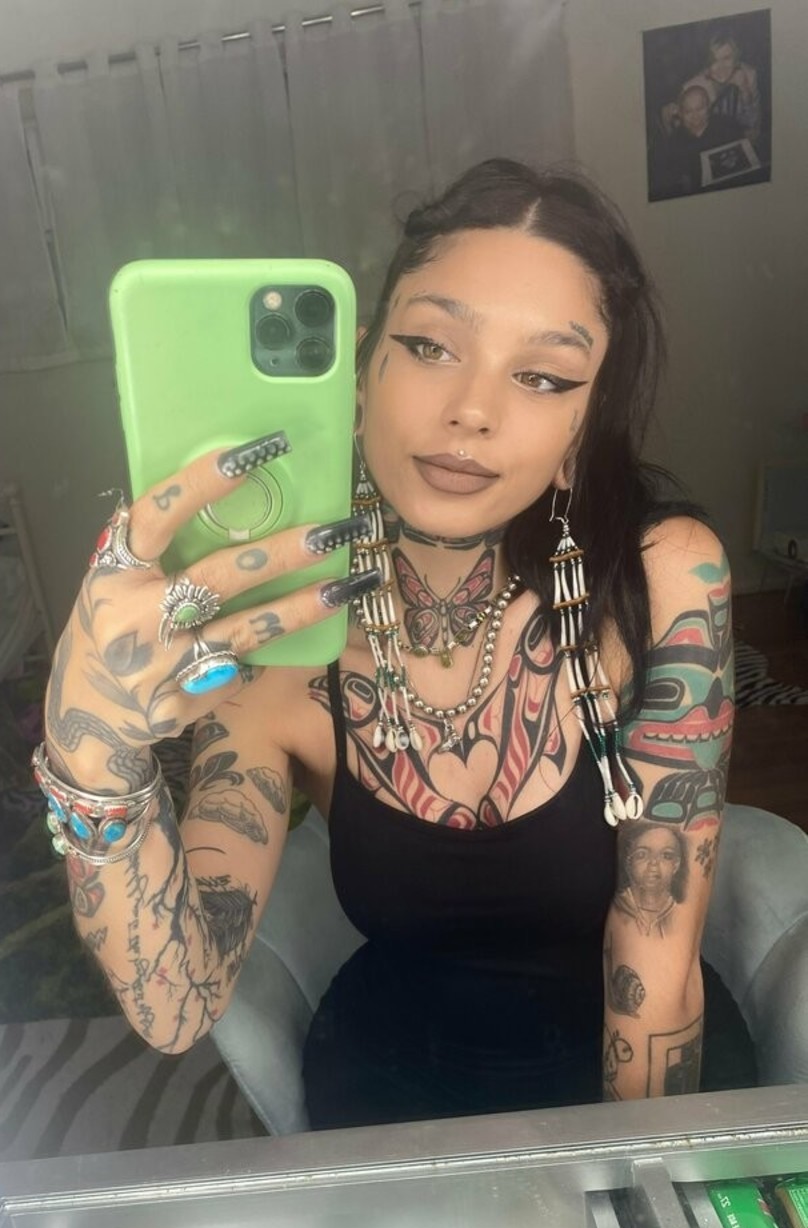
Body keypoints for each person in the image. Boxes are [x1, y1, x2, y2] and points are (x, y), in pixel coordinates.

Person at [41, 158, 756, 1129]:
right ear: (360, 372)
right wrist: (92, 755)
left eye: (542, 375)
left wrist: (629, 1184)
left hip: (626, 1077)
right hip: (397, 1087)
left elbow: (656, 960)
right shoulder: (280, 644)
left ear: (581, 432)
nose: (473, 409)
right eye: (429, 346)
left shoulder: (664, 576)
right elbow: (176, 1005)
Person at [660, 31, 762, 145]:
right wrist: (671, 120)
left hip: (737, 137)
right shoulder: (694, 87)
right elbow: (680, 132)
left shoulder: (749, 75)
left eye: (727, 58)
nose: (720, 67)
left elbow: (753, 126)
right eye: (714, 60)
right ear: (707, 63)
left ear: (736, 58)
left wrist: (745, 90)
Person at [650, 86, 745, 198]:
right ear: (681, 113)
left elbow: (744, 162)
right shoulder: (674, 141)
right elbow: (675, 180)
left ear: (708, 107)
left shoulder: (728, 126)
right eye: (688, 111)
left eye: (700, 109)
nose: (695, 116)